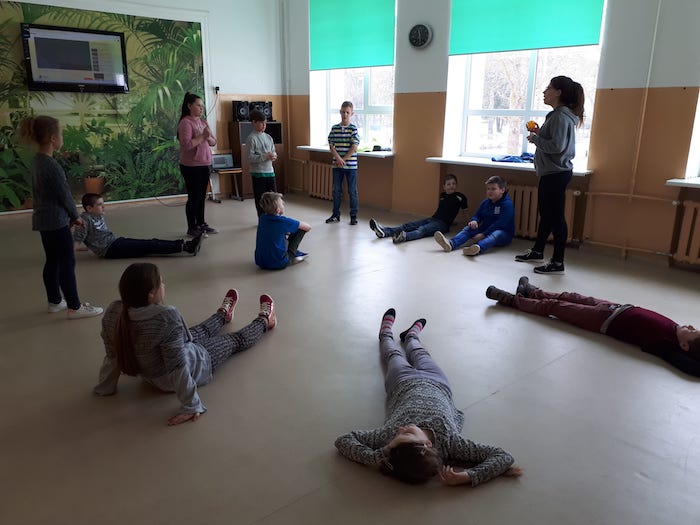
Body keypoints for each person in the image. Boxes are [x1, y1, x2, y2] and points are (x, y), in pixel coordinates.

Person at [334, 309, 522, 486]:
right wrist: (467, 477)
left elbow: (343, 440)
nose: (400, 430)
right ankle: (411, 336)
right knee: (420, 353)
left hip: (402, 382)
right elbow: (503, 456)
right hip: (438, 382)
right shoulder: (451, 443)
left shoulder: (390, 435)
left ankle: (385, 334)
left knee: (393, 355)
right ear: (428, 444)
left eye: (397, 437)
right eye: (406, 434)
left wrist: (384, 453)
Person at [95, 262, 276, 425]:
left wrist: (105, 387)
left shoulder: (114, 311)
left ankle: (223, 315)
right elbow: (177, 367)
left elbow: (112, 354)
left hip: (151, 371)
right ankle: (265, 320)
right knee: (234, 340)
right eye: (161, 283)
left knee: (200, 330)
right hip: (187, 368)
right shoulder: (165, 317)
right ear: (150, 294)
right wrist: (191, 405)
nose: (164, 285)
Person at [485, 277, 700, 377]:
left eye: (691, 332)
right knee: (570, 296)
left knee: (556, 307)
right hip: (615, 307)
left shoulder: (665, 344)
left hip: (603, 321)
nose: (690, 326)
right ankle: (533, 292)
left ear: (683, 345)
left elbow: (690, 367)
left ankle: (512, 300)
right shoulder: (675, 329)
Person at [20, 115, 103, 320]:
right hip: (56, 221)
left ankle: (55, 301)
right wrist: (75, 216)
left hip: (43, 219)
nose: (62, 137)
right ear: (52, 138)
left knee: (53, 260)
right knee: (67, 262)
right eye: (61, 134)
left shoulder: (38, 161)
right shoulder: (51, 165)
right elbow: (64, 195)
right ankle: (74, 306)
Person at [515, 75, 585, 275]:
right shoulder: (557, 116)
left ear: (558, 92)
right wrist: (540, 134)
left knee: (556, 218)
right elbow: (555, 141)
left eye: (548, 88)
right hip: (552, 173)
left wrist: (536, 139)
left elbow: (556, 147)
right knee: (546, 215)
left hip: (556, 173)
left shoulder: (560, 117)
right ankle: (538, 251)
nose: (544, 92)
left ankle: (557, 262)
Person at [73, 193, 203, 258]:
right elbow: (76, 240)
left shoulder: (97, 214)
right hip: (109, 250)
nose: (103, 207)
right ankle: (186, 247)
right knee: (148, 246)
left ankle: (185, 245)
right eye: (99, 205)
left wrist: (88, 246)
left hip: (114, 241)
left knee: (150, 243)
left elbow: (86, 238)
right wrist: (78, 249)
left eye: (103, 203)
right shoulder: (84, 220)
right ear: (89, 208)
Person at [369, 174, 468, 244]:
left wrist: (468, 225)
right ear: (444, 187)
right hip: (433, 219)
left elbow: (465, 212)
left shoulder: (460, 197)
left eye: (454, 183)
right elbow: (444, 210)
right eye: (448, 184)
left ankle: (404, 237)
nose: (451, 186)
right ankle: (384, 232)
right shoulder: (442, 196)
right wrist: (453, 221)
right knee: (408, 225)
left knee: (422, 230)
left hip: (443, 225)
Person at [434, 175, 514, 256]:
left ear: (502, 190)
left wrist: (483, 235)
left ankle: (477, 248)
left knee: (497, 234)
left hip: (503, 233)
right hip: (485, 228)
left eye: (493, 189)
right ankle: (451, 244)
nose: (490, 191)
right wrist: (474, 220)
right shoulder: (486, 202)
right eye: (488, 189)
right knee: (470, 228)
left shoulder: (507, 205)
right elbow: (478, 215)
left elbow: (500, 224)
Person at [177, 92, 218, 237]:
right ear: (189, 106)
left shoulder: (203, 122)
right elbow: (187, 145)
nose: (202, 108)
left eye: (202, 106)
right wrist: (202, 136)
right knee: (194, 197)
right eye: (198, 105)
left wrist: (208, 137)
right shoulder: (185, 123)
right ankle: (192, 227)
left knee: (202, 196)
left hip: (205, 164)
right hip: (191, 166)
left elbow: (213, 142)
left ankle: (201, 224)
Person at [255, 192, 311, 270]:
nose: (284, 205)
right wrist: (295, 223)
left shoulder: (262, 218)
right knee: (300, 229)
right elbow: (308, 227)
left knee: (280, 232)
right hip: (279, 263)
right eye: (282, 204)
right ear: (278, 210)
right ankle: (291, 254)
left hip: (260, 261)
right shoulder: (283, 221)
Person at [326, 101, 360, 225]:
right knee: (336, 191)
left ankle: (353, 216)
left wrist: (343, 159)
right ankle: (336, 214)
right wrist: (338, 159)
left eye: (347, 112)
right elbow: (331, 145)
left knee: (352, 191)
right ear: (340, 112)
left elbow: (354, 147)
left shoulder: (353, 128)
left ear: (351, 114)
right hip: (337, 166)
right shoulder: (334, 128)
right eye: (343, 112)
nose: (345, 114)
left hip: (351, 166)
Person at [246, 109, 278, 217]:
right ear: (254, 122)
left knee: (273, 198)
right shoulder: (251, 138)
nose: (264, 125)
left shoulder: (268, 137)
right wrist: (265, 156)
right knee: (261, 199)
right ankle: (262, 219)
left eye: (265, 123)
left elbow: (273, 151)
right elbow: (250, 157)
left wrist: (273, 156)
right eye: (261, 123)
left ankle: (273, 218)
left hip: (270, 172)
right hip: (258, 173)